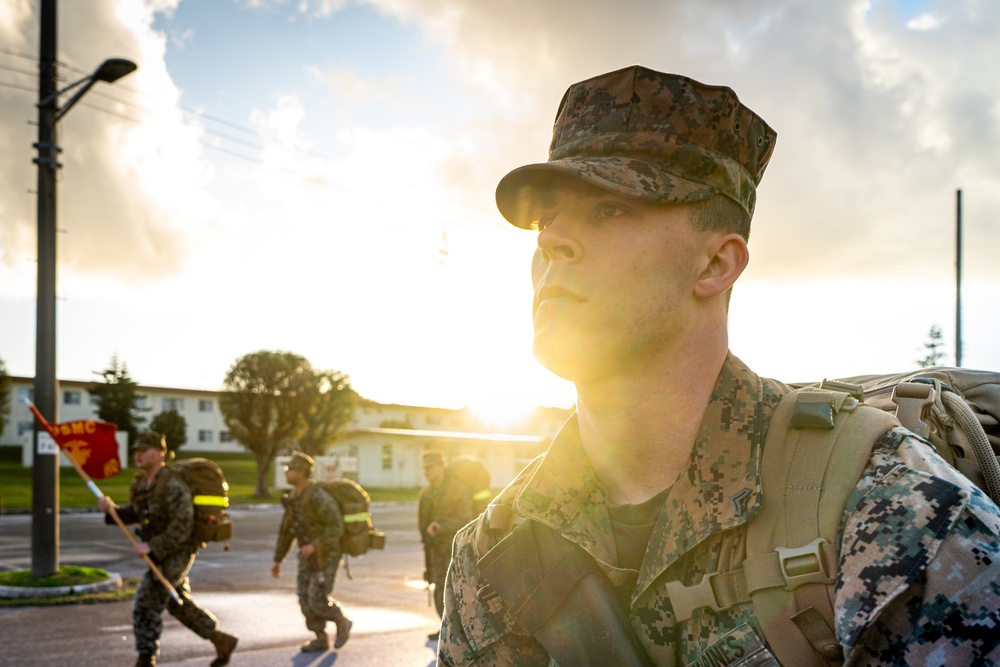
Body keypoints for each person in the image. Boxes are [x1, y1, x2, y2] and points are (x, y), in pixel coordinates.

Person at [437, 65, 1000, 665]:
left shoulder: (888, 506)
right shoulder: (494, 553)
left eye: (610, 210)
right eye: (547, 220)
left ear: (716, 265)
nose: (553, 242)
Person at [98, 431, 238, 667]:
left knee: (146, 602)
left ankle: (146, 658)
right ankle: (221, 640)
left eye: (145, 450)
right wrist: (111, 511)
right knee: (177, 602)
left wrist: (151, 546)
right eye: (136, 450)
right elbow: (137, 512)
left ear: (161, 454)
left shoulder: (173, 484)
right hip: (160, 551)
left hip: (179, 550)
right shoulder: (142, 483)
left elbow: (183, 525)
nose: (139, 454)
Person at [272, 451, 353, 652]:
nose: (286, 473)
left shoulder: (318, 497)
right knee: (303, 598)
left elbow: (336, 526)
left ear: (301, 472)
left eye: (289, 469)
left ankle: (341, 620)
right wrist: (277, 560)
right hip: (307, 556)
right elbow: (286, 532)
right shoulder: (294, 499)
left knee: (317, 598)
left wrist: (315, 545)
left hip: (327, 555)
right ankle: (320, 637)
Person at [418, 450, 473, 640]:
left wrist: (441, 526)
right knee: (438, 590)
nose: (427, 472)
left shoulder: (456, 489)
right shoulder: (426, 494)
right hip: (434, 551)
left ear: (442, 466)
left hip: (454, 550)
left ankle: (457, 631)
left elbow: (466, 518)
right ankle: (447, 628)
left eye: (430, 467)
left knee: (455, 591)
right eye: (424, 468)